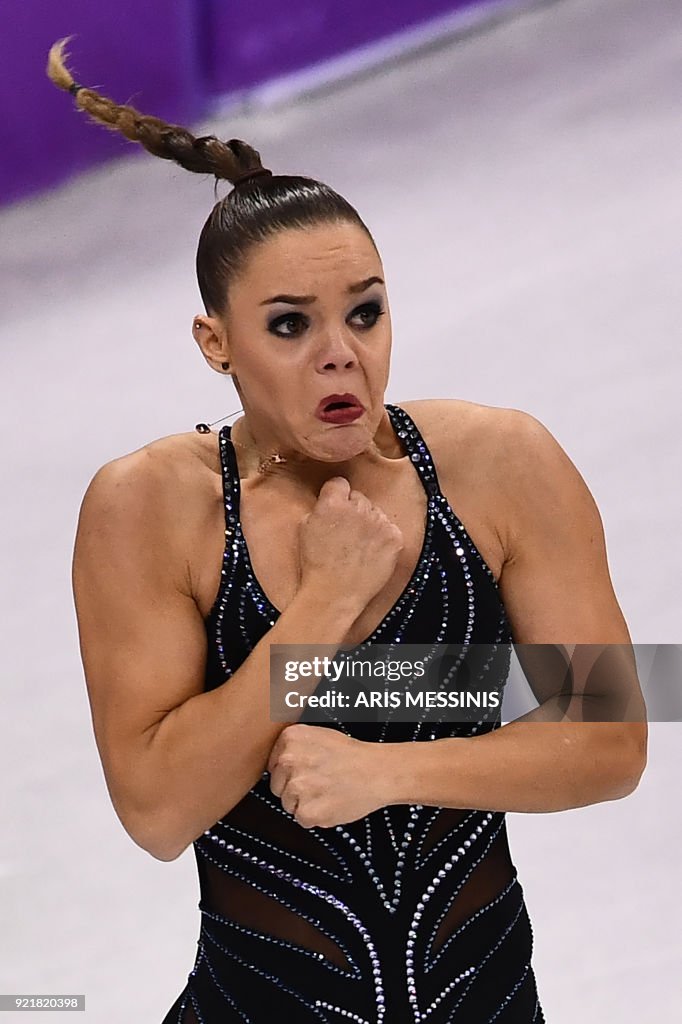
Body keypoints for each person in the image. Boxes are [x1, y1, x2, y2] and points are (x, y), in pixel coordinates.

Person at [50, 36, 647, 1024]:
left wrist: (388, 768)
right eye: (289, 325)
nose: (341, 357)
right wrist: (320, 610)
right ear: (217, 341)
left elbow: (614, 738)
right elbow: (156, 810)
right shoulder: (148, 505)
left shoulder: (500, 463)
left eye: (363, 313)